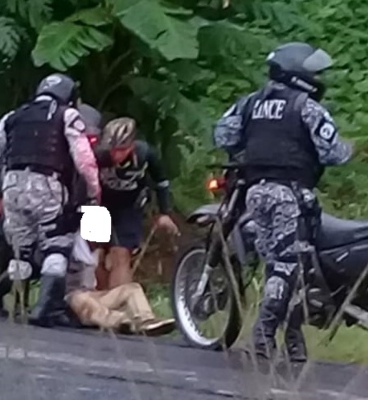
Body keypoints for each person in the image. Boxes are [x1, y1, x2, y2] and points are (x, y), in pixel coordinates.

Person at [212, 42, 353, 362]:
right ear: (297, 73)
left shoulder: (250, 103)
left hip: (256, 194)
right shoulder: (307, 107)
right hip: (289, 195)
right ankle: (263, 333)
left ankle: (292, 338)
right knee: (290, 265)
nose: (318, 77)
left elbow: (223, 136)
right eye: (314, 71)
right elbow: (332, 153)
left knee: (280, 264)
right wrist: (351, 149)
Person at [0, 74, 101, 327]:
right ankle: (46, 309)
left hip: (12, 184)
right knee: (57, 245)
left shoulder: (12, 116)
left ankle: (3, 299)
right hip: (47, 184)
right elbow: (83, 157)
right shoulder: (67, 115)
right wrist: (93, 190)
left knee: (22, 250)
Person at [93, 117, 180, 290]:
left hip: (129, 206)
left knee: (121, 255)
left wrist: (164, 212)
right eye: (113, 150)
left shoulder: (145, 153)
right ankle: (101, 302)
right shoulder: (98, 156)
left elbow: (161, 181)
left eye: (122, 150)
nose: (116, 155)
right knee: (95, 258)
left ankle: (118, 304)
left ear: (132, 145)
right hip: (98, 206)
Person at [66, 233, 176, 335]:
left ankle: (146, 320)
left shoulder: (96, 251)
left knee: (133, 288)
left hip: (91, 296)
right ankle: (122, 321)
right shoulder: (70, 244)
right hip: (70, 301)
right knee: (79, 298)